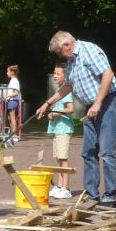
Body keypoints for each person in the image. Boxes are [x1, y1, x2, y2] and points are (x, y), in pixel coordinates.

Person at [35, 30, 116, 207]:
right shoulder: (72, 62)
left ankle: (110, 195)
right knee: (88, 151)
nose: (61, 56)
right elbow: (68, 86)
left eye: (60, 52)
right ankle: (92, 195)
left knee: (106, 151)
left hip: (107, 102)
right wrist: (47, 104)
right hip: (92, 106)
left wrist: (98, 103)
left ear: (67, 45)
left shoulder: (88, 50)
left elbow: (108, 74)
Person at [46, 64, 75, 198]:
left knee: (63, 158)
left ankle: (66, 188)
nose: (55, 76)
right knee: (58, 158)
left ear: (65, 76)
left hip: (64, 128)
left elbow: (70, 108)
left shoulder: (66, 91)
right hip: (57, 129)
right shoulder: (59, 91)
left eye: (58, 74)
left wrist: (55, 113)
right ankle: (59, 186)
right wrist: (50, 112)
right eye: (54, 73)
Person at [5, 65, 22, 144]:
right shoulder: (12, 80)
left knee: (12, 117)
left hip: (13, 100)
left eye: (8, 71)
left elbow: (16, 92)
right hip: (11, 100)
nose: (7, 73)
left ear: (12, 72)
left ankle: (14, 135)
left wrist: (7, 96)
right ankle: (12, 133)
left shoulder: (14, 81)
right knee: (9, 118)